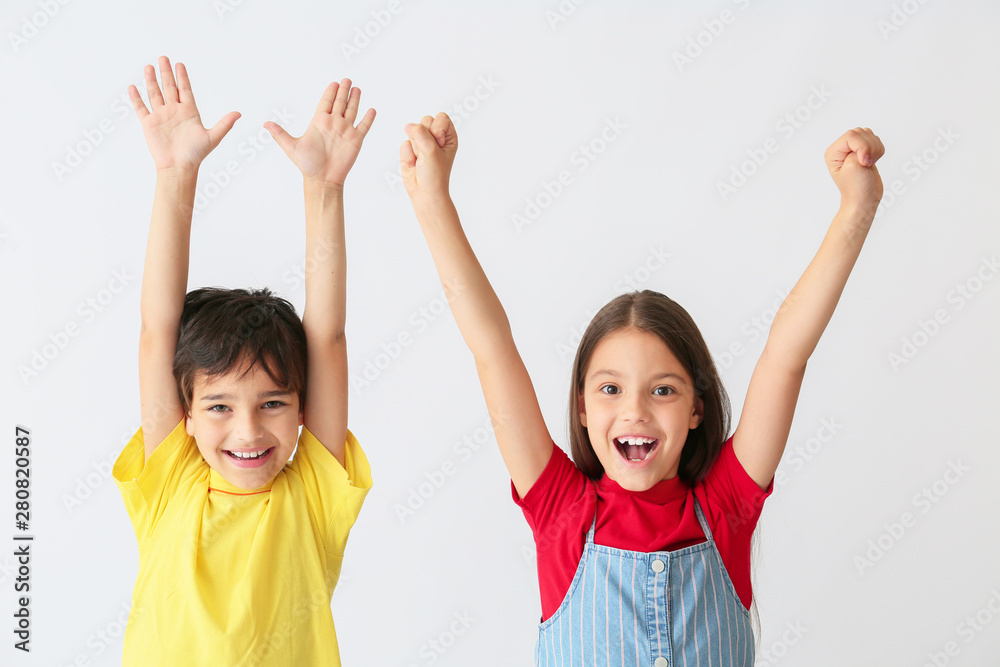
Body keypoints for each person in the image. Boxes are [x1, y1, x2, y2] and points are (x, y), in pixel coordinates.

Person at [400, 111, 883, 665]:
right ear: (581, 408)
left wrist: (856, 209)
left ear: (697, 409)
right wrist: (431, 200)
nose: (635, 411)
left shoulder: (726, 506)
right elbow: (492, 350)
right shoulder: (562, 511)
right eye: (610, 390)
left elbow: (786, 356)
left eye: (663, 391)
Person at [112, 55, 375, 666]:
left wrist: (325, 189)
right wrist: (176, 174)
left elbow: (327, 337)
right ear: (187, 412)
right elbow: (158, 331)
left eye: (274, 403)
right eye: (220, 405)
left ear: (303, 406)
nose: (249, 430)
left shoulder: (312, 493)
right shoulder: (171, 479)